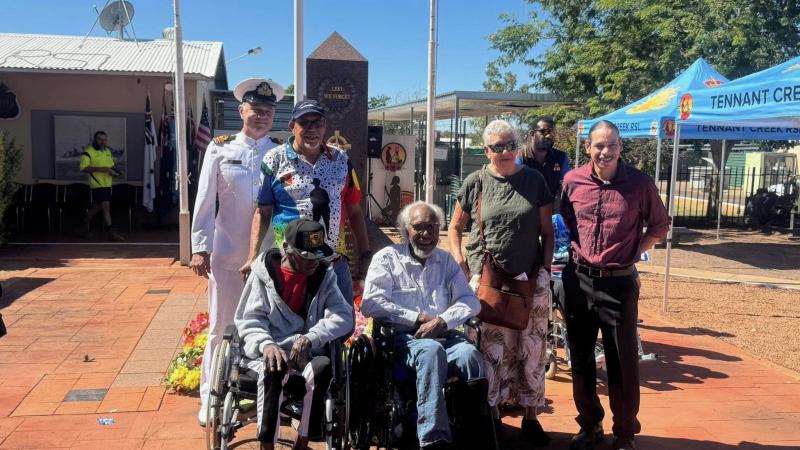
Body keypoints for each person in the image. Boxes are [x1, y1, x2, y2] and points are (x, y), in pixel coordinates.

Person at [560, 120, 669, 450]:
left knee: (621, 361)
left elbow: (660, 224)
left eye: (612, 145)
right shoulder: (572, 181)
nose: (605, 152)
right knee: (580, 358)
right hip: (578, 281)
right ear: (588, 147)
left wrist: (636, 250)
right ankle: (589, 424)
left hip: (619, 284)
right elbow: (566, 219)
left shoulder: (639, 183)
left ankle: (624, 432)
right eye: (599, 145)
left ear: (621, 147)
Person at [448, 119, 554, 446]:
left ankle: (531, 415)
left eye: (511, 145)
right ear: (486, 150)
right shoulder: (476, 182)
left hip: (528, 279)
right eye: (498, 147)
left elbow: (547, 232)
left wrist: (545, 270)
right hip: (487, 280)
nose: (506, 152)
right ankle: (493, 414)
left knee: (531, 348)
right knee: (491, 350)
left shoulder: (534, 181)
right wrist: (461, 262)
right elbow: (455, 227)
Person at [190, 78, 285, 425]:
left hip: (269, 258)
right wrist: (200, 247)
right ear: (241, 110)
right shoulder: (220, 149)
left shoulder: (280, 152)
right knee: (221, 326)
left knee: (268, 327)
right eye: (255, 109)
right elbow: (204, 200)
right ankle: (210, 396)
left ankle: (259, 393)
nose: (261, 116)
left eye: (268, 111)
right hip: (228, 254)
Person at [361, 201, 485, 450]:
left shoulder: (446, 261)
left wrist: (443, 320)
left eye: (432, 227)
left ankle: (474, 432)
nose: (426, 233)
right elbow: (371, 303)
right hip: (402, 340)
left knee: (470, 355)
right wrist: (416, 318)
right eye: (418, 227)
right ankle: (433, 438)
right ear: (406, 229)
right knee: (431, 351)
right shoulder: (387, 258)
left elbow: (470, 301)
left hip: (443, 334)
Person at [236, 218, 353, 450]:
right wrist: (266, 344)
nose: (313, 263)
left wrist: (312, 337)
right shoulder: (263, 274)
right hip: (267, 350)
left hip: (307, 353)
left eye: (317, 256)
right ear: (287, 249)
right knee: (274, 366)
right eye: (306, 257)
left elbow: (343, 316)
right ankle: (266, 444)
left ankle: (303, 440)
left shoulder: (324, 275)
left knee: (322, 368)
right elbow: (250, 319)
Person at [247, 99, 372, 306]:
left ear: (325, 126)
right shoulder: (274, 159)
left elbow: (355, 210)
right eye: (304, 122)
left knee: (340, 320)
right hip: (291, 264)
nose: (312, 129)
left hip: (333, 262)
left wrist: (366, 253)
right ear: (292, 125)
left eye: (318, 122)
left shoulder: (341, 159)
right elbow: (263, 211)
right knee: (291, 320)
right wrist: (252, 256)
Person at [78, 131, 124, 242]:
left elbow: (110, 166)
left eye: (105, 140)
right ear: (95, 140)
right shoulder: (88, 152)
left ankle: (83, 225)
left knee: (98, 206)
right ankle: (111, 232)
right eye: (100, 139)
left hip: (107, 184)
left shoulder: (107, 151)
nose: (103, 142)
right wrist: (101, 169)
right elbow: (83, 168)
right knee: (106, 205)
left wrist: (116, 172)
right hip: (97, 184)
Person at [520, 117, 571, 210]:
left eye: (552, 132)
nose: (548, 136)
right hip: (526, 211)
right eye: (543, 131)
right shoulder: (520, 158)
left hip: (552, 211)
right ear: (532, 134)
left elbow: (567, 184)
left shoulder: (561, 158)